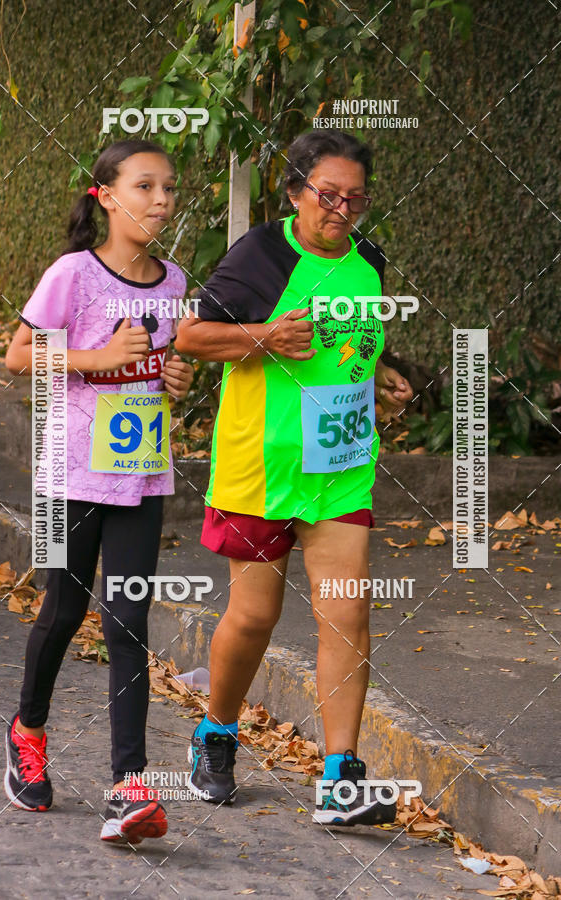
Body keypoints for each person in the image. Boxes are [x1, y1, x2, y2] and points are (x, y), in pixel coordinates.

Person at [175, 129, 413, 826]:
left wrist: (376, 380)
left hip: (339, 470)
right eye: (327, 195)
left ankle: (340, 776)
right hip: (262, 468)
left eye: (355, 198)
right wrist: (264, 338)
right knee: (255, 616)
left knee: (347, 615)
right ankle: (216, 733)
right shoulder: (263, 255)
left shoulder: (367, 260)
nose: (341, 210)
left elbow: (351, 341)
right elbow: (191, 336)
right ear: (295, 192)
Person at [4, 139, 193, 844]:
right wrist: (94, 358)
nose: (162, 200)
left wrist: (173, 378)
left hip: (141, 473)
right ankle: (27, 731)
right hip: (66, 475)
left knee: (128, 623)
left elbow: (163, 362)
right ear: (106, 197)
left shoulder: (173, 281)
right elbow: (19, 355)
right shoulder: (73, 274)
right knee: (62, 610)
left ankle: (130, 785)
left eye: (169, 188)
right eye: (145, 187)